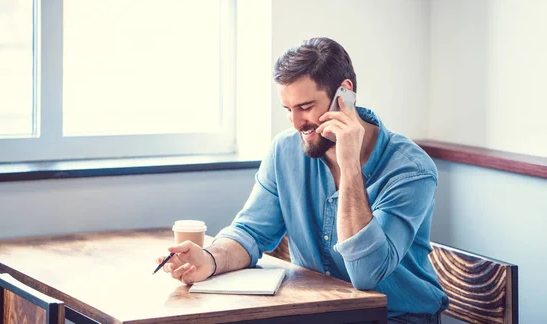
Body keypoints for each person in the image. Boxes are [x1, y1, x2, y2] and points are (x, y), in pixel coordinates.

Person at [156, 37, 449, 323]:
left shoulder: (411, 169)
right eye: (288, 110)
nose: (296, 124)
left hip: (398, 316)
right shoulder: (284, 151)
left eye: (306, 107)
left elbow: (366, 273)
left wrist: (349, 165)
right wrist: (209, 260)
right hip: (319, 312)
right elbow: (251, 232)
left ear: (344, 94)